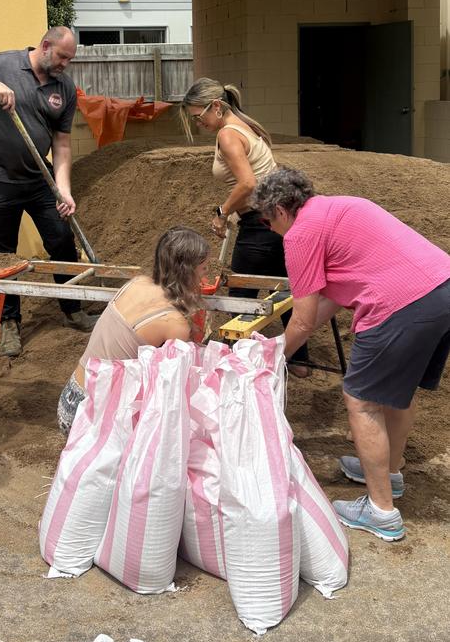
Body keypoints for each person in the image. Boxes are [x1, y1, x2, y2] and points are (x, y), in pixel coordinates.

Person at [252, 166, 450, 543]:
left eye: (266, 221)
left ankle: (381, 512)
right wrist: (281, 347)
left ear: (279, 210)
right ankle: (389, 473)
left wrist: (275, 356)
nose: (270, 229)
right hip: (441, 287)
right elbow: (325, 300)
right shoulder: (342, 207)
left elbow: (304, 322)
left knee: (362, 402)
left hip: (399, 305)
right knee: (397, 391)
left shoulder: (300, 235)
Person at [0, 26, 97, 358]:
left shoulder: (64, 88)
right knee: (3, 256)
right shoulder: (2, 65)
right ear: (44, 46)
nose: (66, 65)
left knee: (61, 241)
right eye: (62, 57)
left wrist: (64, 190)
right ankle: (9, 322)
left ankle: (72, 310)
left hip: (41, 181)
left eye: (70, 59)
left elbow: (63, 143)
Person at [180, 77, 308, 374]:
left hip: (261, 223)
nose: (198, 123)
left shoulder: (227, 134)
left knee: (241, 294)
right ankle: (299, 359)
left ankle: (232, 361)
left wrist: (222, 212)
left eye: (198, 116)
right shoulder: (244, 124)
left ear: (216, 106)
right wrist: (238, 213)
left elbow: (249, 183)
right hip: (279, 217)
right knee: (286, 287)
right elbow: (262, 177)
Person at [57, 226, 210, 435]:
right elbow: (172, 387)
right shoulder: (175, 323)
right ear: (187, 271)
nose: (204, 279)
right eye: (203, 270)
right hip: (92, 416)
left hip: (71, 396)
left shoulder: (137, 282)